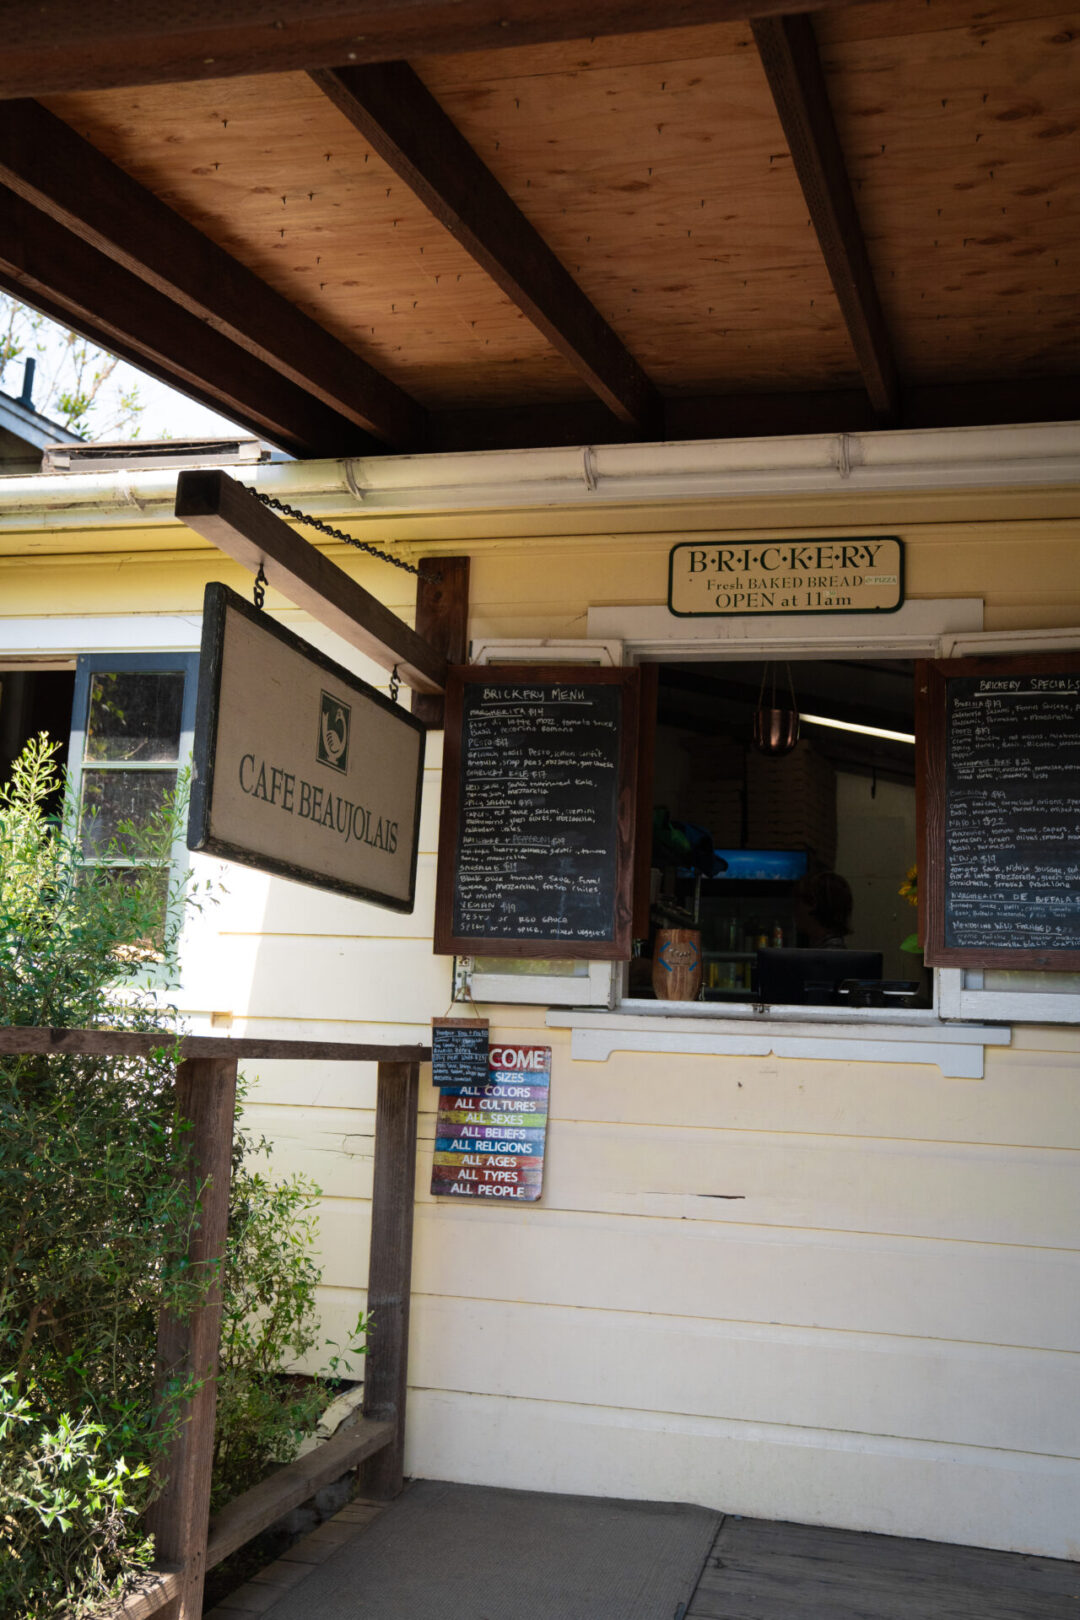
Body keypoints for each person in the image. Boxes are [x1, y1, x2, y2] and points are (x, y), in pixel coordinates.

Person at [795, 871, 853, 948]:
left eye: (797, 901)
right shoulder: (831, 950)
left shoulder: (827, 955)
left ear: (812, 904)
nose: (795, 908)